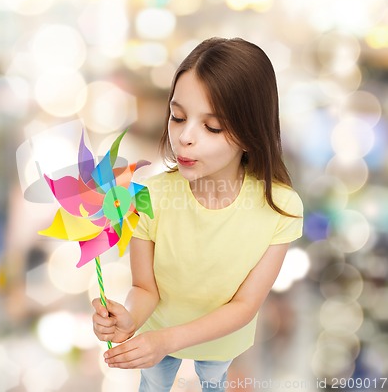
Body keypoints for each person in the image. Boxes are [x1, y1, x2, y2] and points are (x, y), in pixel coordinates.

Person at [92, 37, 303, 392]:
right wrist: (128, 320)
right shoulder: (148, 196)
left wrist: (166, 341)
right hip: (157, 330)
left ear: (251, 133)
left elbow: (244, 306)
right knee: (153, 385)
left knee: (214, 381)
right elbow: (145, 288)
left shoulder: (279, 208)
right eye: (177, 117)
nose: (185, 137)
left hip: (220, 339)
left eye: (212, 126)